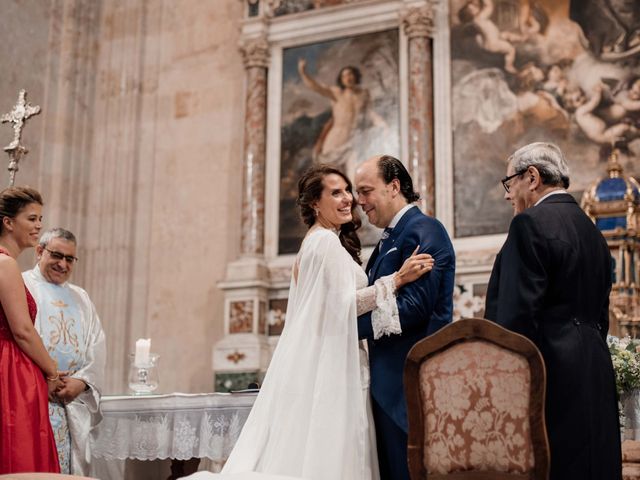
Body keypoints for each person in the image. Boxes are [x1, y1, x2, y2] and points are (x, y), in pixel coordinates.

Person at [197, 165, 433, 480]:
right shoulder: (324, 243)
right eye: (336, 192)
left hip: (326, 356)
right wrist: (397, 280)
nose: (348, 198)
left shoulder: (314, 241)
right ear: (314, 203)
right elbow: (344, 308)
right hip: (334, 363)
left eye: (348, 190)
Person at [484, 142, 622, 480]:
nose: (507, 194)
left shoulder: (529, 224)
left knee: (553, 467)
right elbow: (601, 315)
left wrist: (502, 391)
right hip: (595, 366)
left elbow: (516, 319)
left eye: (509, 182)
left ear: (532, 177)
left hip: (549, 371)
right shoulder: (593, 232)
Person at [354, 155, 456, 480]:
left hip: (408, 381)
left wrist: (345, 325)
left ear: (394, 186)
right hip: (387, 379)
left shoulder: (424, 230)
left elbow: (415, 307)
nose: (360, 202)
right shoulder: (391, 238)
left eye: (366, 191)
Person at [23, 227, 106, 475]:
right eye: (56, 255)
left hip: (72, 402)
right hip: (33, 396)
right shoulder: (21, 284)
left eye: (69, 258)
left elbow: (97, 344)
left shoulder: (81, 297)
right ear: (39, 251)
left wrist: (81, 382)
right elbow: (19, 337)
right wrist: (45, 379)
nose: (63, 264)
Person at [0, 186, 61, 473]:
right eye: (32, 218)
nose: (39, 226)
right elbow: (22, 330)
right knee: (17, 452)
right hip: (10, 370)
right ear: (8, 222)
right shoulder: (5, 263)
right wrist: (51, 368)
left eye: (40, 219)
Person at [297, 59, 387, 179]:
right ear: (341, 79)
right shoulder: (337, 93)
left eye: (350, 74)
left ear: (355, 76)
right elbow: (316, 87)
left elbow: (370, 112)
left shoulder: (364, 94)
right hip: (336, 139)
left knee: (353, 176)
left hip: (354, 141)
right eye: (344, 75)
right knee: (331, 177)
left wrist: (382, 124)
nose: (347, 77)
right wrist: (303, 72)